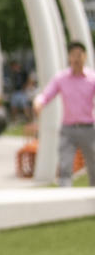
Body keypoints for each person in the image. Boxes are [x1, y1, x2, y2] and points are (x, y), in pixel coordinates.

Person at [33, 41, 95, 186]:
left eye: (79, 55)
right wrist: (39, 102)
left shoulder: (92, 79)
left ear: (85, 57)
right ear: (69, 57)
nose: (76, 58)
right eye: (73, 55)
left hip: (89, 129)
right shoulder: (61, 78)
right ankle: (65, 199)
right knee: (65, 167)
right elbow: (47, 94)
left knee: (93, 166)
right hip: (68, 130)